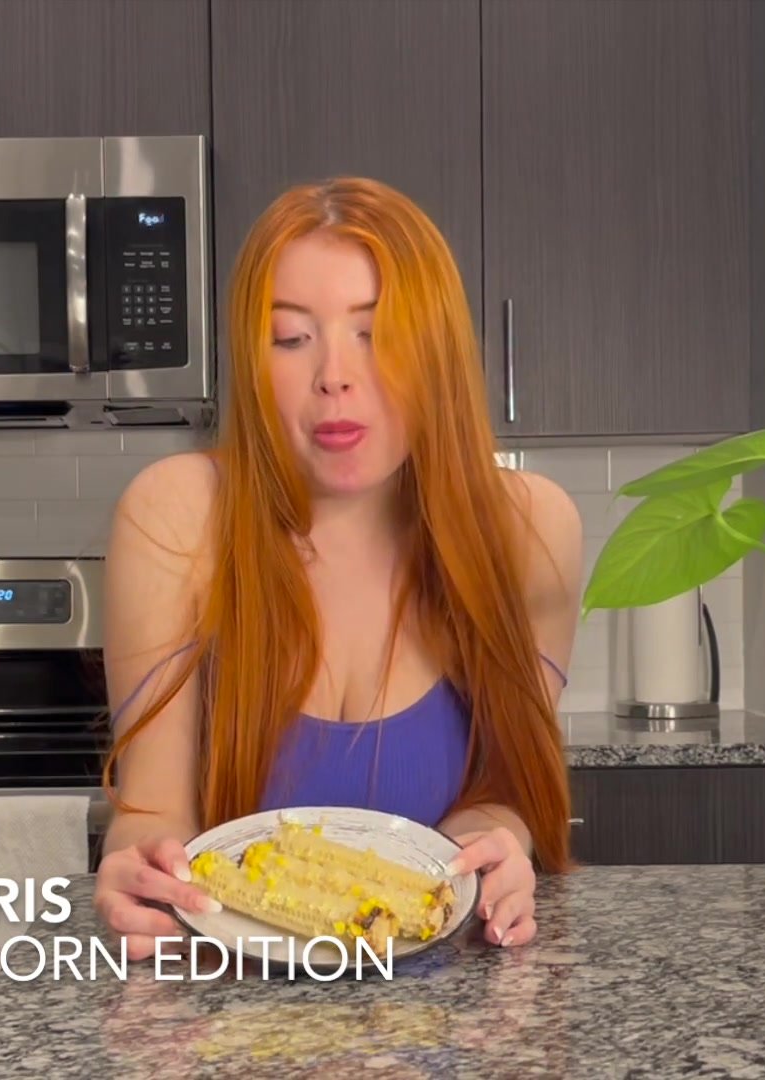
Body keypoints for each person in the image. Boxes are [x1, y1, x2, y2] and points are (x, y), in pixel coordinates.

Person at [91, 177, 584, 960]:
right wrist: (138, 868)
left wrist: (490, 848)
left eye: (377, 332)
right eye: (290, 338)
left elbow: (502, 789)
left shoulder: (528, 530)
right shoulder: (177, 515)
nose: (334, 375)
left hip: (451, 1002)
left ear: (438, 354)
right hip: (231, 1002)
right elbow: (152, 812)